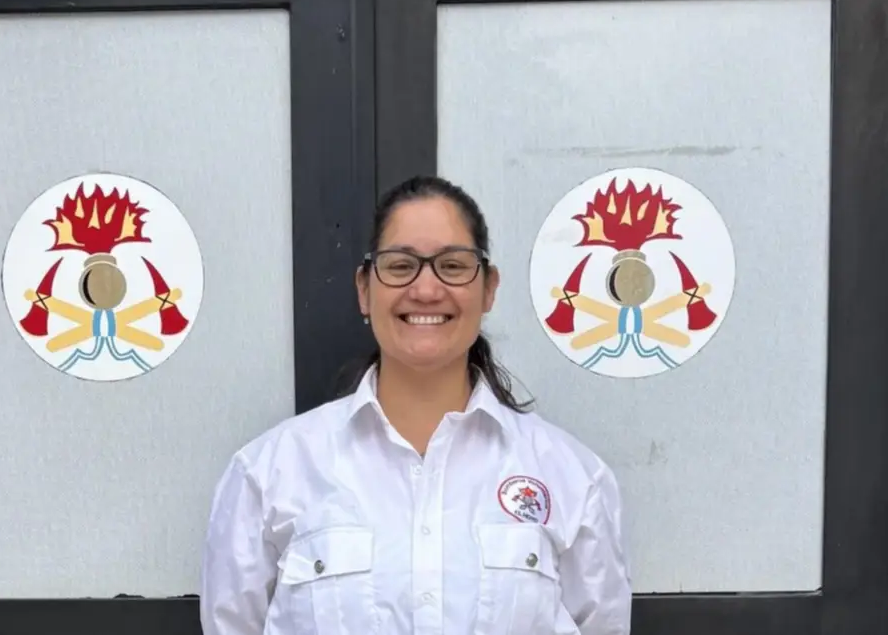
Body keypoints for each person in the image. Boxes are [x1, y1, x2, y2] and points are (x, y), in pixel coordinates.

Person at [200, 175, 632, 635]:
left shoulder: (572, 478)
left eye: (453, 265)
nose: (426, 290)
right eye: (401, 265)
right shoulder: (269, 474)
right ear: (364, 289)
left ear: (488, 288)